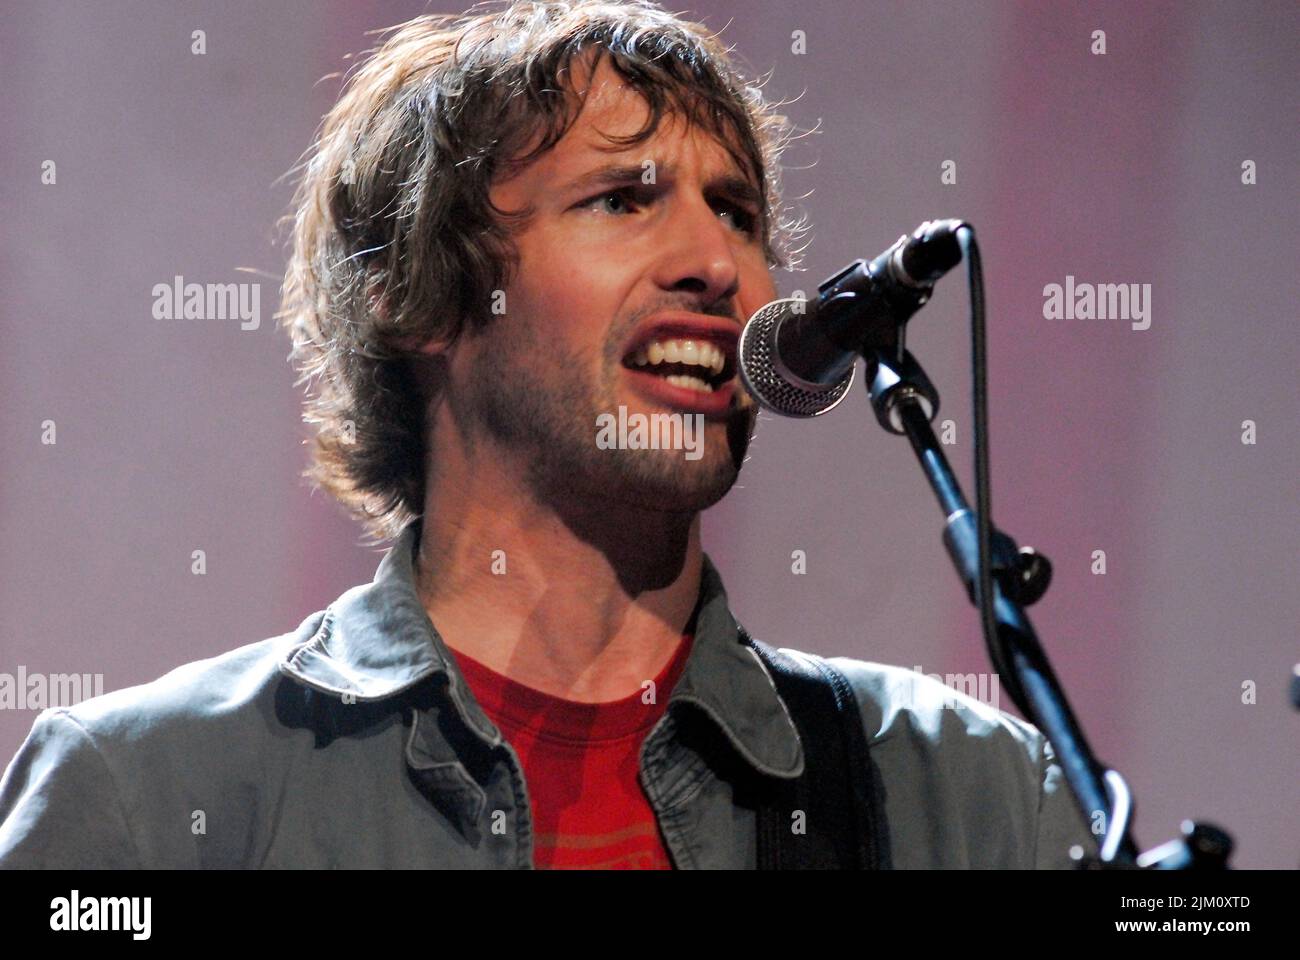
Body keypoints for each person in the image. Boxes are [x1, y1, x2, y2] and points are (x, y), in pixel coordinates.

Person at [0, 0, 1095, 869]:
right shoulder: (150, 794)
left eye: (739, 212)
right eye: (624, 198)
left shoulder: (966, 796)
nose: (716, 264)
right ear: (420, 296)